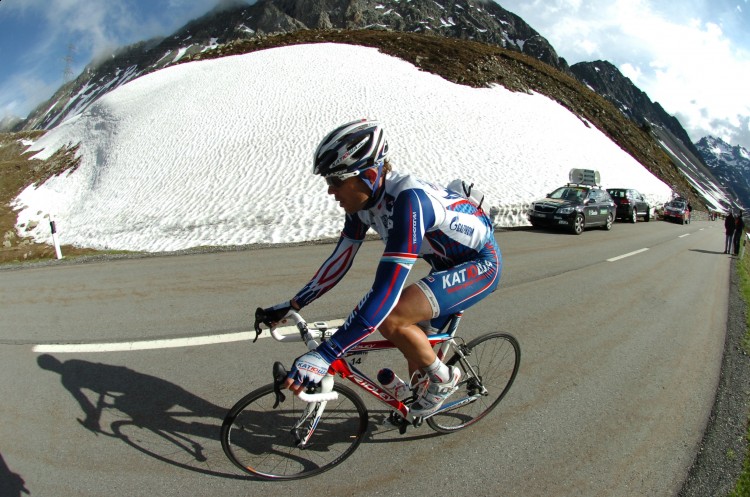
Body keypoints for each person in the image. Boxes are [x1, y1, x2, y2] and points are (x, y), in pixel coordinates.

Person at [254, 119, 502, 417]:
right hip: (444, 266)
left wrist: (326, 353)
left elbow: (386, 291)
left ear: (369, 175)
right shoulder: (363, 205)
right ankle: (423, 391)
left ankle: (445, 380)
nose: (331, 191)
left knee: (393, 317)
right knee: (412, 341)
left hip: (480, 265)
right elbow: (339, 261)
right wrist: (293, 304)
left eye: (335, 181)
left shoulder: (410, 202)